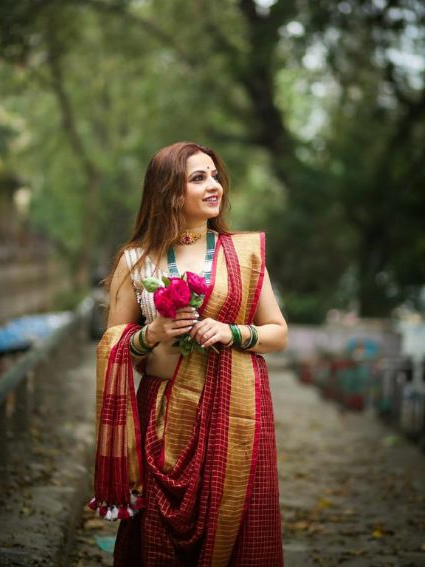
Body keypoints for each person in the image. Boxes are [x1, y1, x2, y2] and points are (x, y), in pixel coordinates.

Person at [91, 141, 288, 566]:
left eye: (215, 175)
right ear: (169, 192)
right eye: (199, 178)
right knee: (157, 533)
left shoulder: (244, 254)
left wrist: (231, 331)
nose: (214, 185)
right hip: (162, 415)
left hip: (235, 414)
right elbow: (113, 344)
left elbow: (278, 334)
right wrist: (153, 333)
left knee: (235, 526)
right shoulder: (136, 260)